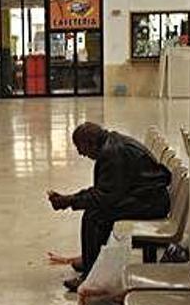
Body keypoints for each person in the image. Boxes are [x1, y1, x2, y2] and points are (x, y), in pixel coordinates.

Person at [48, 122, 172, 291]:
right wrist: (71, 199)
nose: (80, 153)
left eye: (80, 147)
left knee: (95, 216)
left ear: (91, 142)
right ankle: (92, 261)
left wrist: (69, 201)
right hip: (147, 197)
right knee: (96, 211)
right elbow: (105, 192)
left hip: (150, 203)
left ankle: (91, 276)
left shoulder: (112, 154)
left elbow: (104, 198)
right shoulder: (112, 145)